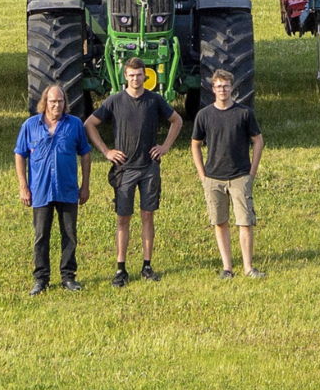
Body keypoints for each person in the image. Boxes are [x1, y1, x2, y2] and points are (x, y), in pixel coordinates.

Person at [84, 58, 182, 287]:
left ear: (145, 77)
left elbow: (176, 121)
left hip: (149, 167)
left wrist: (165, 147)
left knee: (148, 216)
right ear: (124, 77)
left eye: (139, 75)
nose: (135, 79)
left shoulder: (155, 100)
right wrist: (107, 151)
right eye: (131, 75)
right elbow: (89, 123)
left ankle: (147, 266)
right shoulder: (114, 101)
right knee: (122, 219)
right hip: (124, 169)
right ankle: (121, 269)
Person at [14, 83, 94, 294]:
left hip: (67, 189)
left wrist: (85, 185)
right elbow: (20, 154)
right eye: (52, 102)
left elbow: (85, 153)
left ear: (65, 103)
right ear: (45, 103)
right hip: (40, 190)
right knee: (41, 235)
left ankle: (68, 277)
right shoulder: (30, 126)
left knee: (69, 234)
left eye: (60, 101)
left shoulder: (75, 125)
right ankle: (41, 279)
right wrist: (24, 186)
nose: (56, 105)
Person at [190, 68, 264, 278]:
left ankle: (248, 267)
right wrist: (202, 174)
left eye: (226, 86)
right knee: (220, 222)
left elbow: (258, 140)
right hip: (213, 178)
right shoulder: (204, 115)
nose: (222, 90)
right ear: (213, 89)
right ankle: (227, 268)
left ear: (232, 88)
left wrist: (252, 171)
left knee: (245, 222)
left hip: (240, 176)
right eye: (218, 86)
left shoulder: (244, 113)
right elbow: (195, 144)